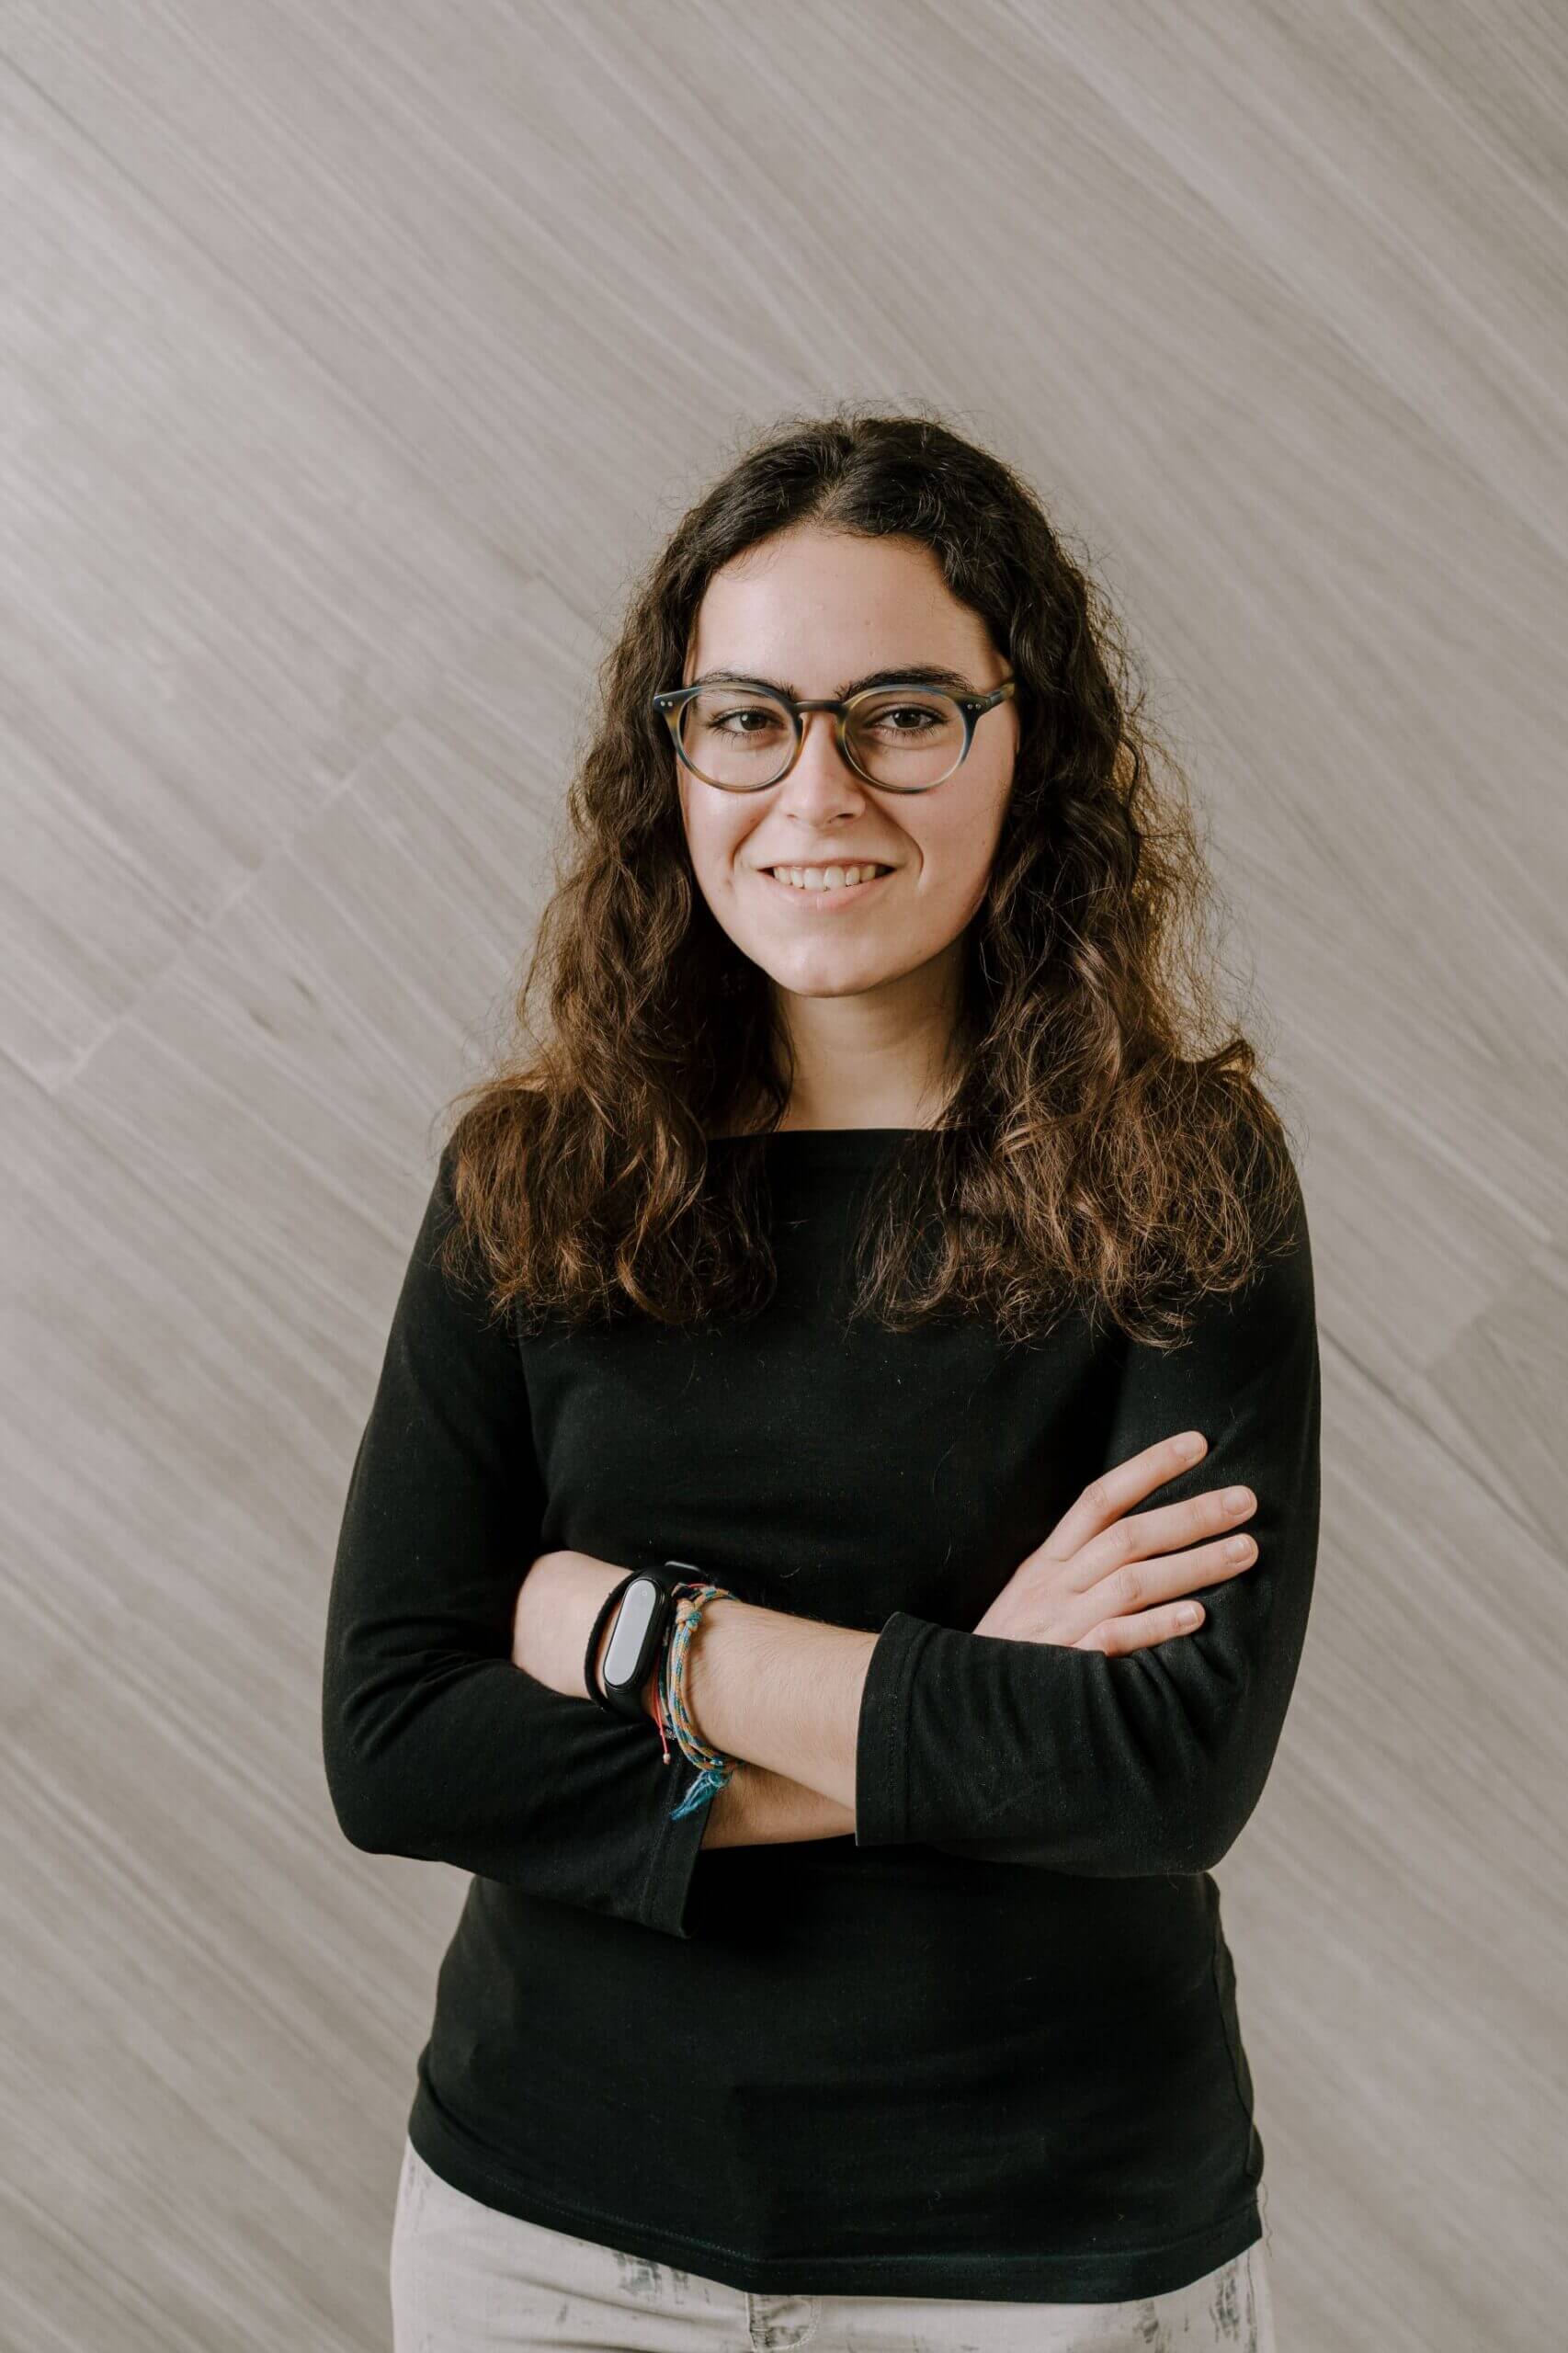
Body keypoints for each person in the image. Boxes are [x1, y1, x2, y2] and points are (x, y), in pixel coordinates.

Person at [322, 409, 1314, 2351]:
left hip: (1047, 2259)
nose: (816, 788)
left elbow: (1161, 1770)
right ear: (675, 752)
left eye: (903, 715)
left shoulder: (1176, 1173)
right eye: (749, 718)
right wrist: (968, 1695)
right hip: (548, 2242)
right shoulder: (532, 1175)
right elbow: (399, 1743)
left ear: (1026, 743)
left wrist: (641, 1636)